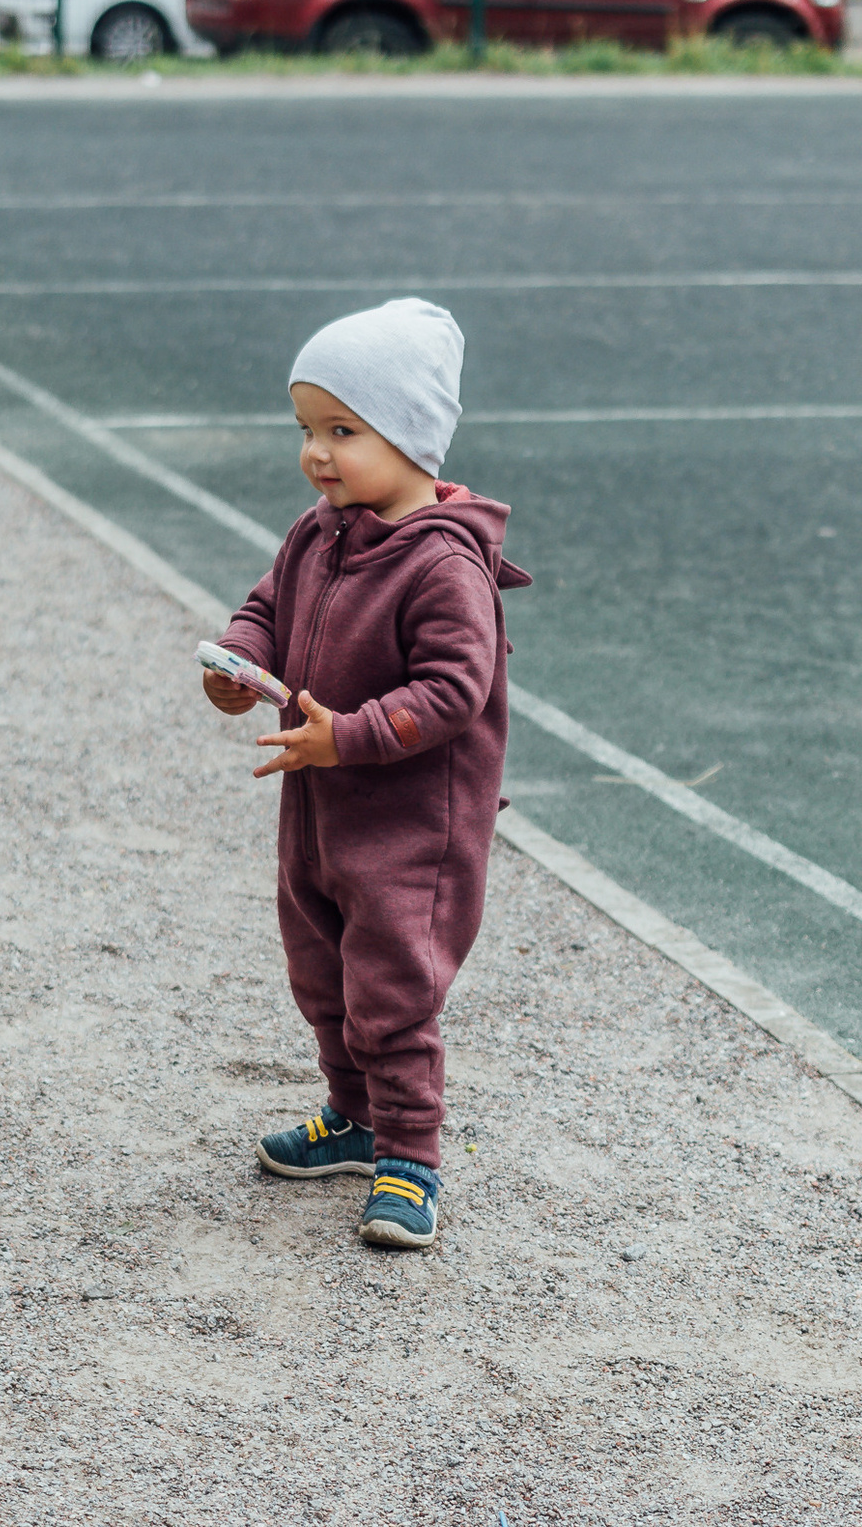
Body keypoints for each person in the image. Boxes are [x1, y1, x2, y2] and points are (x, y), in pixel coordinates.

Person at [203, 298, 530, 1250]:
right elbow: (266, 607)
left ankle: (413, 1158)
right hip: (320, 809)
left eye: (343, 430)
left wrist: (344, 736)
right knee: (322, 972)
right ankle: (353, 1119)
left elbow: (453, 689)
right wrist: (237, 659)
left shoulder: (442, 565)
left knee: (393, 984)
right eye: (307, 428)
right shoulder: (320, 531)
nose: (317, 452)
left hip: (409, 827)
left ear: (412, 436)